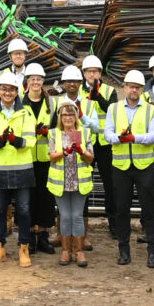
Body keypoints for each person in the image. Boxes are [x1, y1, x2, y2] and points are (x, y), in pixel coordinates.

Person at [103, 69, 154, 268]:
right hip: (121, 166)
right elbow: (107, 134)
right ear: (125, 87)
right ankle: (123, 249)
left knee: (148, 210)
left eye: (137, 87)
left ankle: (152, 251)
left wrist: (134, 138)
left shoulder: (151, 109)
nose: (133, 90)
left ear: (141, 90)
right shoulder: (113, 108)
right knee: (122, 210)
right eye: (130, 86)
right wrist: (120, 138)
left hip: (144, 165)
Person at [0, 70, 38, 266]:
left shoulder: (26, 113)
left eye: (11, 90)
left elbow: (32, 140)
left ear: (17, 92)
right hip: (0, 169)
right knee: (0, 211)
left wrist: (17, 141)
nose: (7, 93)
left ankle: (24, 247)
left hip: (22, 170)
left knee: (23, 210)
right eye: (4, 89)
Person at [45, 93, 93, 267]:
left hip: (79, 181)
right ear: (60, 117)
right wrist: (64, 152)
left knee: (77, 216)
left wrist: (81, 151)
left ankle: (79, 252)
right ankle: (66, 251)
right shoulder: (53, 134)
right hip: (61, 182)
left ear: (76, 115)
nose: (68, 118)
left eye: (71, 114)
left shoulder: (85, 132)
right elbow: (51, 156)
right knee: (65, 217)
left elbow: (90, 158)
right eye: (64, 115)